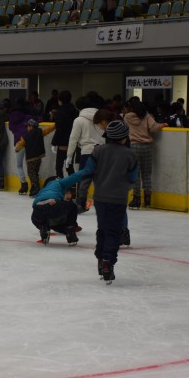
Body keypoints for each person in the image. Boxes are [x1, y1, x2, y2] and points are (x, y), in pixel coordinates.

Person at [88, 120, 138, 284]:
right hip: (118, 200)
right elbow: (133, 178)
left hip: (100, 199)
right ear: (124, 138)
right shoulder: (130, 155)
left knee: (102, 229)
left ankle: (100, 260)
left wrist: (81, 195)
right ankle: (108, 262)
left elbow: (87, 173)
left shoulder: (97, 151)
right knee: (113, 232)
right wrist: (125, 188)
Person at [124, 97, 167, 209]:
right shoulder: (147, 116)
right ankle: (148, 199)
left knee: (136, 174)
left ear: (131, 108)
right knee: (146, 174)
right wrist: (162, 125)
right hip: (147, 146)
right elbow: (154, 128)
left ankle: (136, 199)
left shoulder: (127, 117)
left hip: (134, 147)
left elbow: (125, 129)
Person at [31, 170, 91, 246]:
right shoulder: (59, 183)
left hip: (36, 211)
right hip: (52, 203)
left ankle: (44, 227)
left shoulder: (42, 190)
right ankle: (70, 231)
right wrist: (89, 171)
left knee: (47, 220)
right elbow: (75, 177)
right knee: (72, 207)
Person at [66, 96, 104, 213]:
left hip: (87, 152)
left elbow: (73, 139)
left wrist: (69, 156)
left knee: (84, 179)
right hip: (103, 151)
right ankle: (102, 204)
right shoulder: (102, 118)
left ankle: (81, 203)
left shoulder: (79, 120)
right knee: (101, 179)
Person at [14, 119, 56, 197]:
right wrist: (55, 125)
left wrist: (17, 149)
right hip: (39, 157)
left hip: (31, 158)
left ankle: (36, 188)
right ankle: (34, 187)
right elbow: (48, 130)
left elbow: (20, 144)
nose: (27, 127)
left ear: (32, 126)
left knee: (31, 173)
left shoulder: (25, 136)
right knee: (35, 172)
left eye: (28, 126)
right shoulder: (40, 132)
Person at [51, 90, 79, 179]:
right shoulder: (75, 112)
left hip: (62, 143)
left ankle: (61, 187)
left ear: (60, 100)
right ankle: (73, 188)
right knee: (69, 167)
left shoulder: (60, 113)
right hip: (73, 142)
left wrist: (54, 142)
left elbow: (59, 129)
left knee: (59, 167)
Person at [8, 98, 32, 194]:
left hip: (19, 142)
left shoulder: (12, 117)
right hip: (29, 141)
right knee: (30, 164)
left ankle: (24, 184)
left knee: (19, 165)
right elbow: (39, 120)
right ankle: (34, 184)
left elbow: (10, 127)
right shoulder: (28, 116)